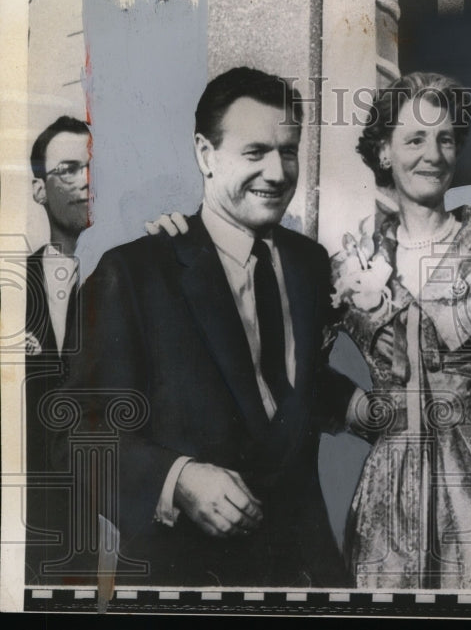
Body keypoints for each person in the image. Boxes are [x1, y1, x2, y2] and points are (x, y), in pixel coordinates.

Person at [63, 67, 349, 586]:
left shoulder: (310, 264)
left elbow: (292, 390)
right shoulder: (133, 273)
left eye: (289, 152)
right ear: (204, 154)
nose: (278, 172)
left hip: (306, 576)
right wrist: (177, 479)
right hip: (187, 583)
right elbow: (81, 433)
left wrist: (363, 407)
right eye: (255, 152)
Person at [334, 72, 471, 590]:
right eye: (414, 139)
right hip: (388, 506)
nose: (431, 154)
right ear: (385, 152)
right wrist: (361, 410)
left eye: (444, 138)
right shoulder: (355, 261)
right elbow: (297, 373)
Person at [24, 115, 91, 581]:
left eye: (92, 167)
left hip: (110, 510)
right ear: (39, 190)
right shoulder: (13, 286)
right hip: (31, 516)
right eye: (68, 169)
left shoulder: (131, 276)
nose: (86, 180)